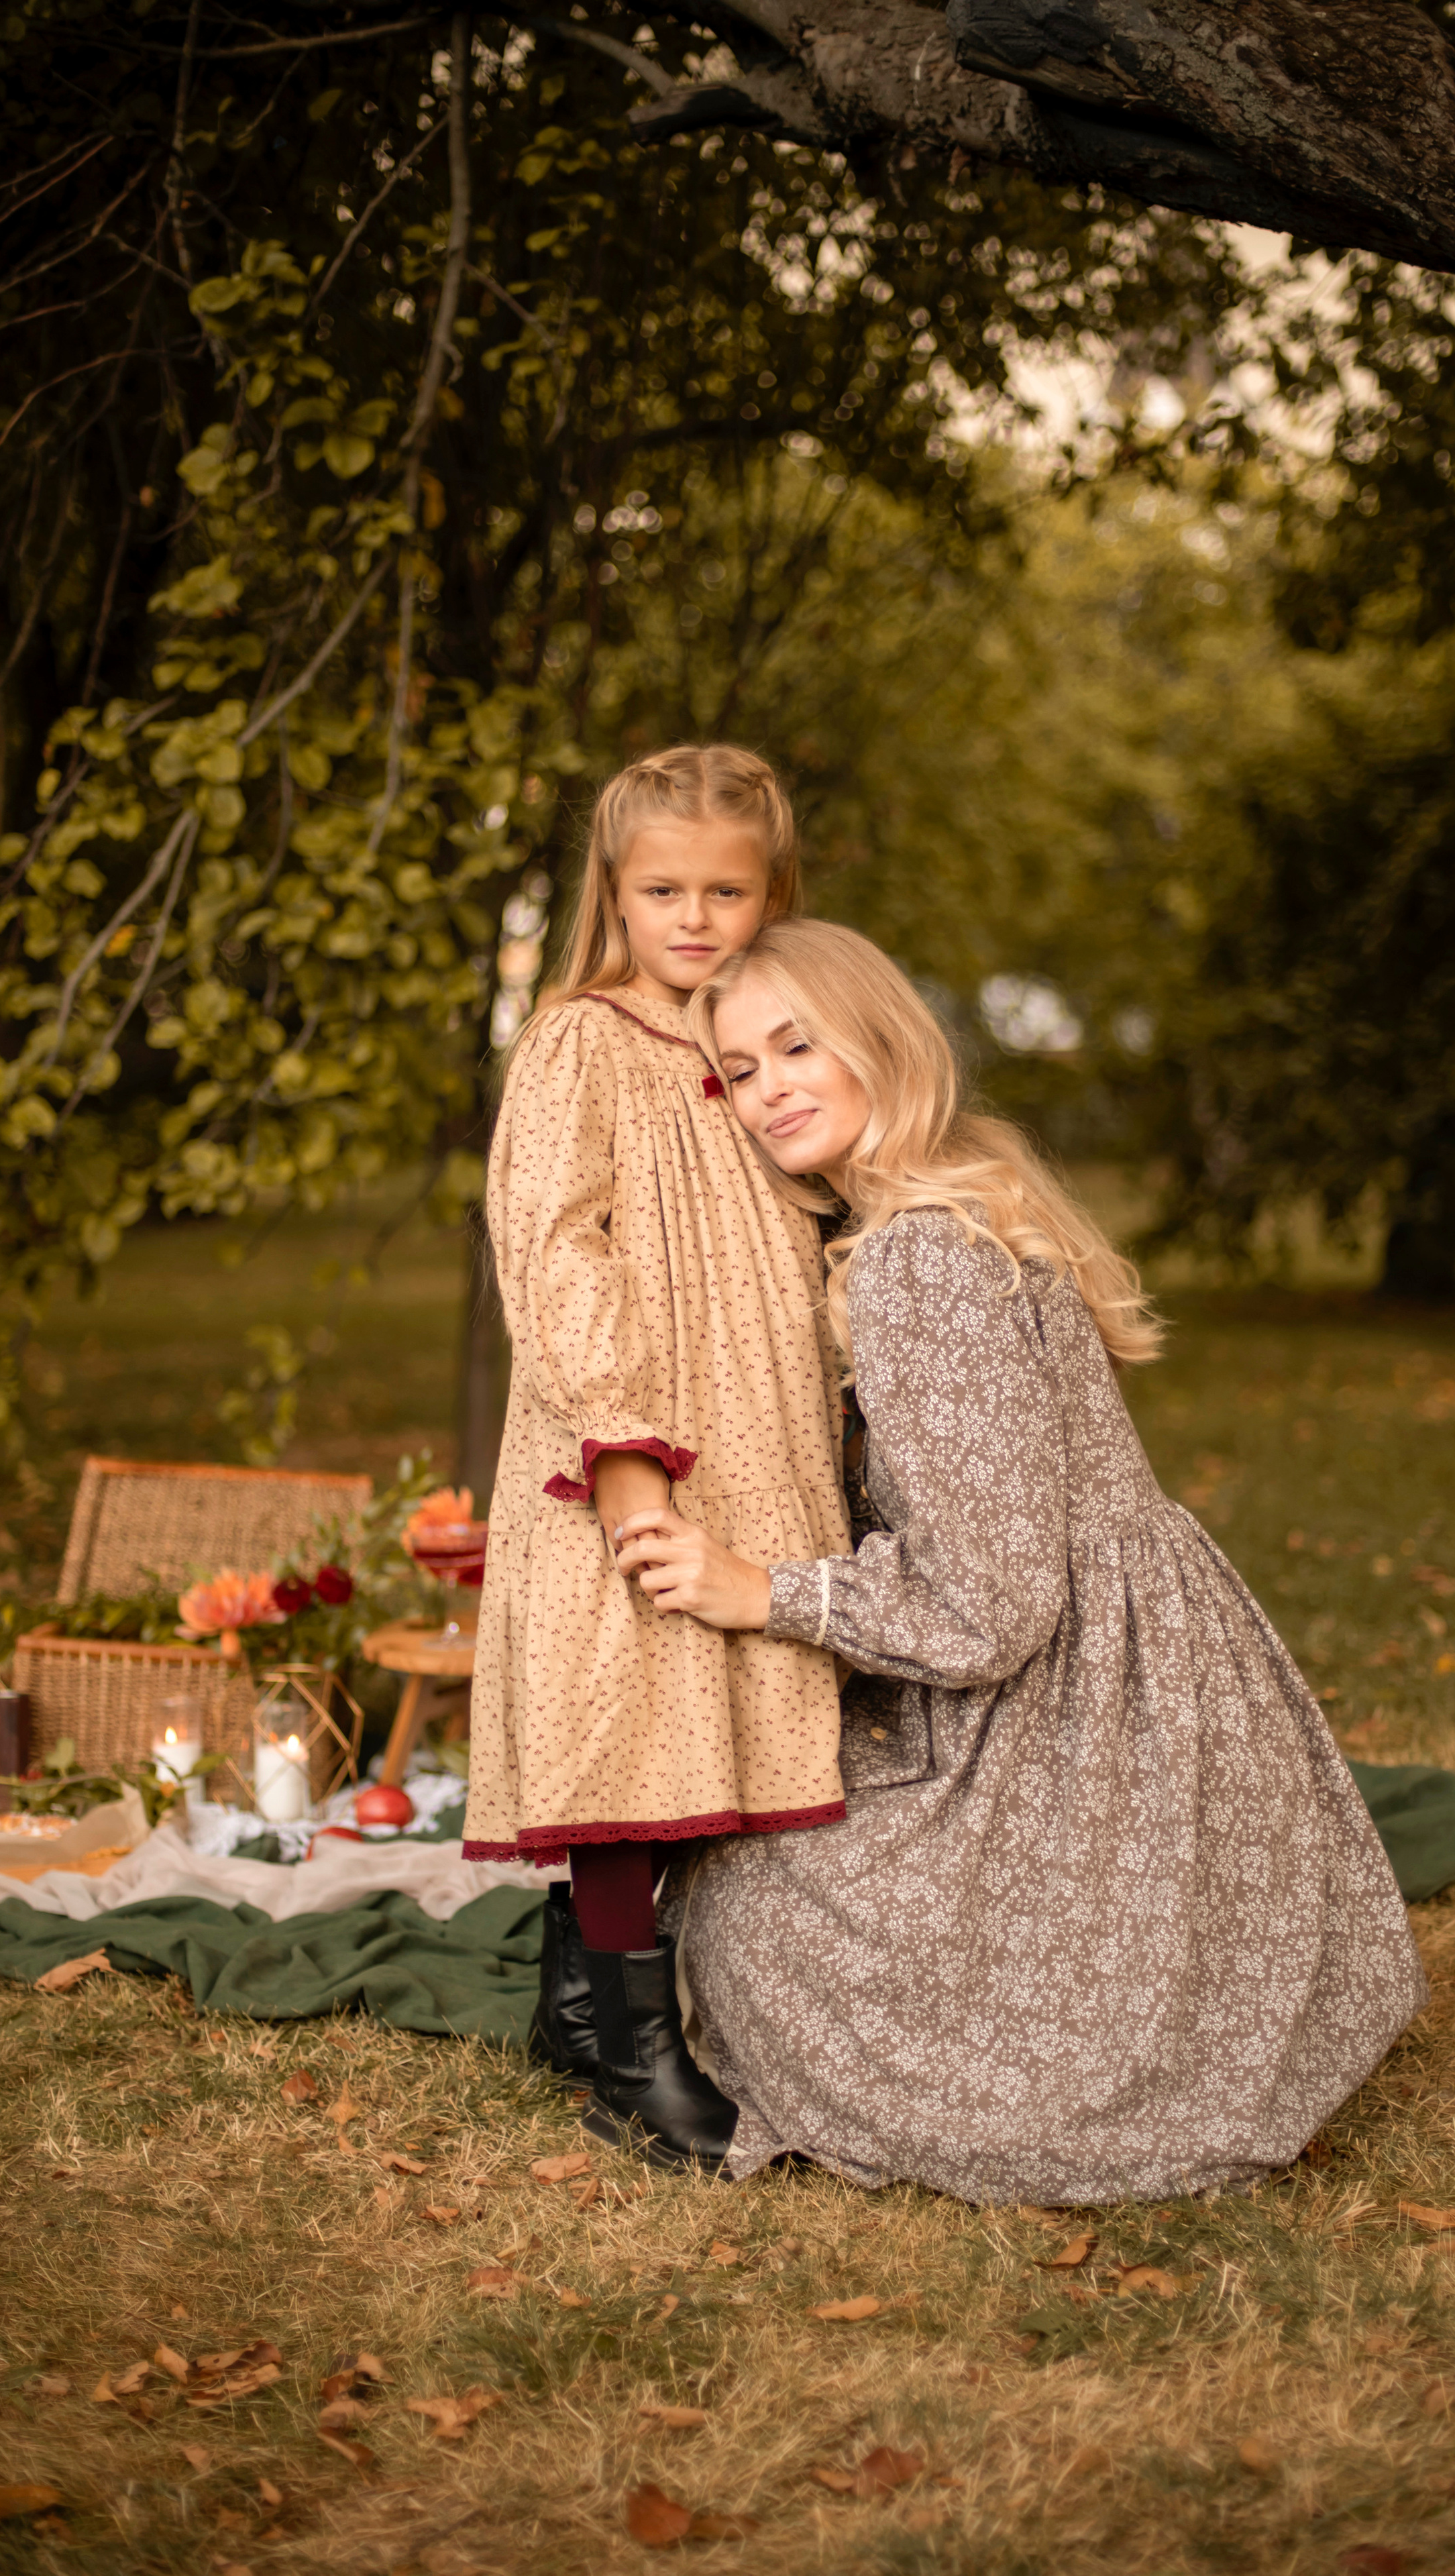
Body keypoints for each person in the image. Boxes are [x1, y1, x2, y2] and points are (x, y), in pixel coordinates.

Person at [616, 919, 1429, 2204]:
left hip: (1065, 1707)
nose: (768, 1086)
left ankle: (1063, 2075)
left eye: (795, 1045)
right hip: (1151, 1681)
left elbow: (993, 1603)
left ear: (883, 1042)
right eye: (738, 1070)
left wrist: (757, 1590)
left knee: (742, 1903)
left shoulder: (913, 1264)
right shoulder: (972, 1193)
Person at [462, 751, 852, 2173]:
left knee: (715, 1714)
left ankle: (578, 1992)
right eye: (661, 890)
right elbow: (557, 1248)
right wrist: (622, 1449)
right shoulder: (583, 1040)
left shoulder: (752, 1052)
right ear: (612, 895)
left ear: (772, 895)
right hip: (630, 1438)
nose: (693, 917)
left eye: (726, 890)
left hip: (759, 1437)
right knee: (626, 1721)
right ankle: (636, 2057)